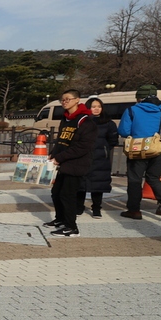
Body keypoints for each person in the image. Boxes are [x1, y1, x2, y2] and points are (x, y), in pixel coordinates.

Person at [118, 84, 161, 220]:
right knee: (154, 178)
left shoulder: (132, 110)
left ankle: (134, 211)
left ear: (140, 98)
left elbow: (124, 131)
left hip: (138, 149)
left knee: (135, 180)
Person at [44, 89, 97, 237]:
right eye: (63, 100)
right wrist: (53, 154)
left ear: (77, 100)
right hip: (63, 163)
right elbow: (62, 140)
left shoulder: (85, 121)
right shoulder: (66, 119)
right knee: (56, 193)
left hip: (76, 164)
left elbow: (82, 147)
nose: (65, 102)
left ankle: (71, 227)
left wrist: (60, 158)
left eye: (68, 99)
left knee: (67, 195)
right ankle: (60, 219)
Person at [76, 97, 119, 219]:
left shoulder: (108, 123)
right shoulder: (82, 121)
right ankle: (79, 207)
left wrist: (104, 149)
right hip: (83, 156)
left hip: (100, 158)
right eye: (94, 106)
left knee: (98, 185)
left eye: (99, 106)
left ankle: (96, 209)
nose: (96, 109)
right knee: (81, 184)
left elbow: (112, 140)